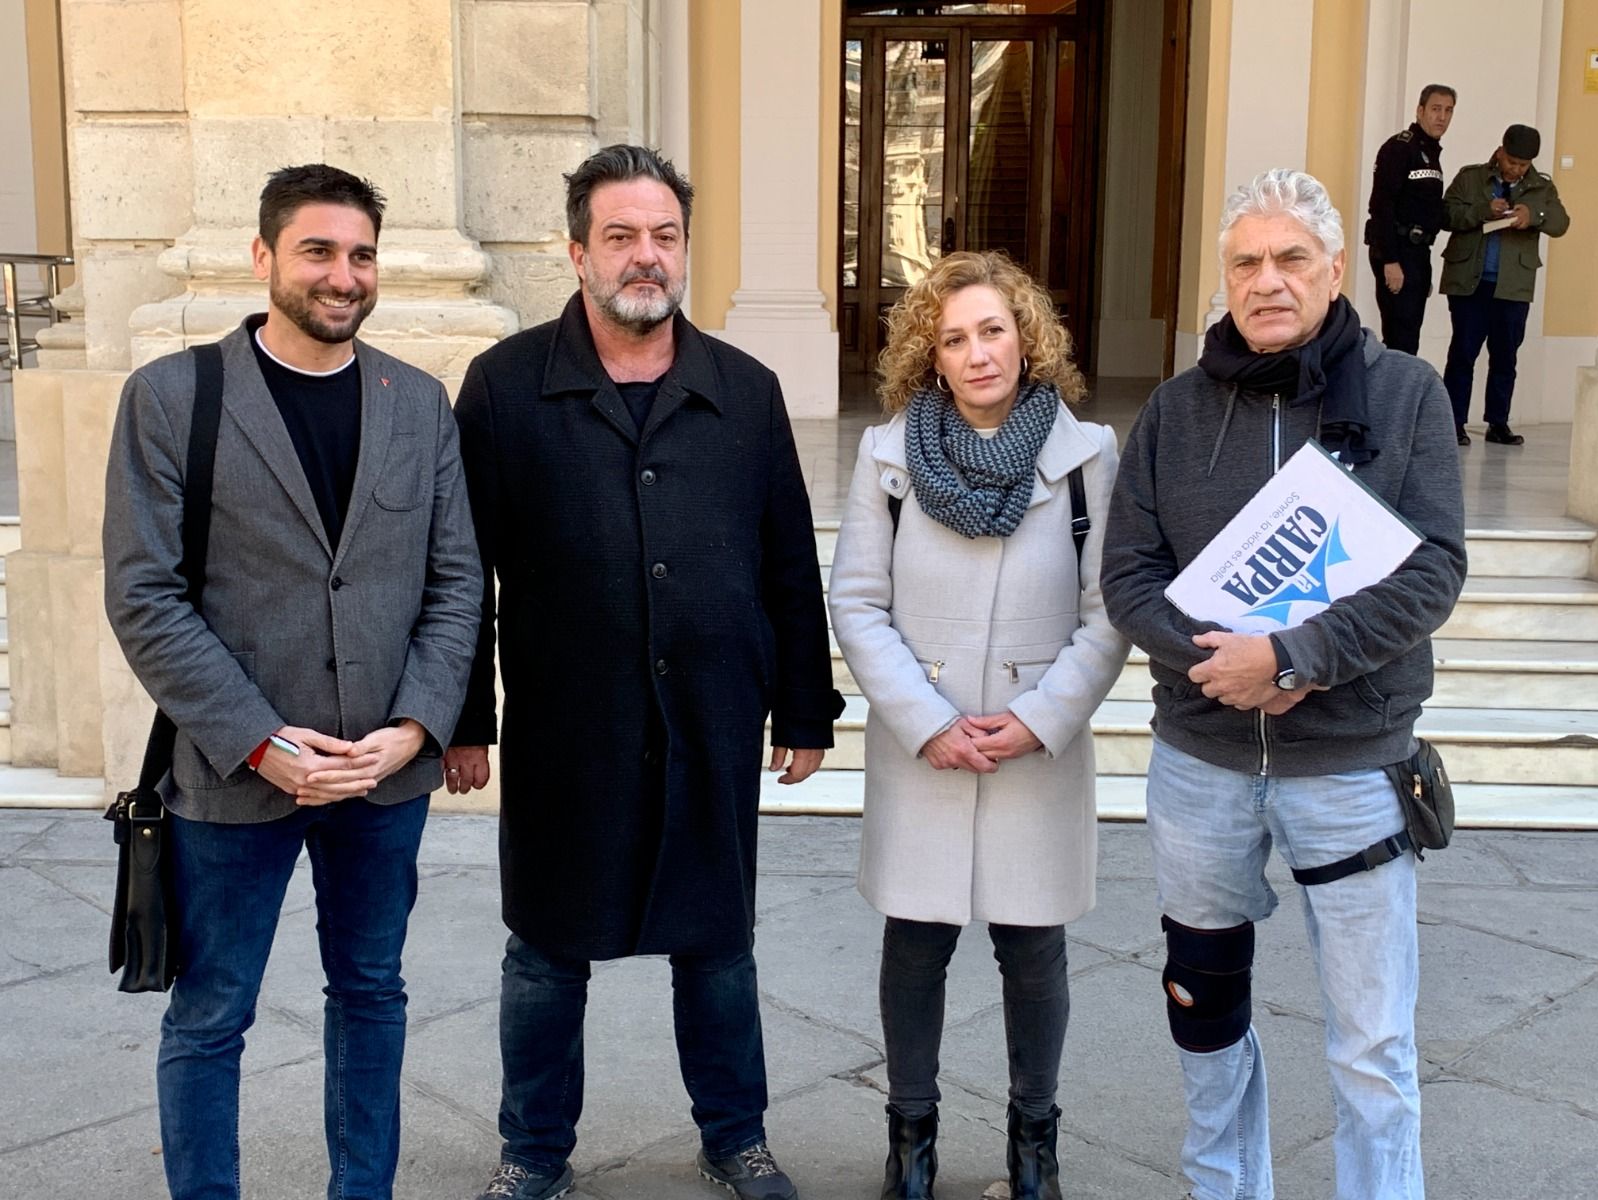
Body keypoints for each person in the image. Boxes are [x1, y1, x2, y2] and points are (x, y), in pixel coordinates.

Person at [447, 145, 843, 1200]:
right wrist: (462, 716)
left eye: (663, 235)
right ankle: (532, 1152)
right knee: (543, 952)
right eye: (620, 235)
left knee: (717, 946)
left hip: (710, 718)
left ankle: (736, 1138)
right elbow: (457, 571)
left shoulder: (746, 393)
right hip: (565, 728)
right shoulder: (501, 388)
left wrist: (805, 701)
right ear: (575, 250)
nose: (644, 256)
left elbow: (787, 563)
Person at [102, 164, 483, 1200]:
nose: (343, 275)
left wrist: (414, 727)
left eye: (361, 254)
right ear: (264, 256)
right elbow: (145, 597)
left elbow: (456, 583)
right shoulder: (175, 398)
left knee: (372, 993)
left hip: (379, 777)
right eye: (318, 251)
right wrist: (262, 739)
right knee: (211, 1011)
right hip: (235, 777)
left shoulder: (418, 403)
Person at [1101, 169, 1467, 1200]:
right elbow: (1127, 573)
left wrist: (1298, 658)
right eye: (1245, 263)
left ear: (1335, 268)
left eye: (1289, 259)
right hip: (1201, 769)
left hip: (1351, 767)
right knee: (1204, 1020)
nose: (1266, 281)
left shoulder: (1406, 395)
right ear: (1225, 279)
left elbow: (1433, 568)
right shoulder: (1174, 411)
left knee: (1369, 1043)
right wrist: (1216, 662)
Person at [828, 251, 1129, 1200]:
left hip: (1034, 748)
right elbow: (858, 602)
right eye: (953, 337)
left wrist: (1041, 720)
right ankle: (909, 1141)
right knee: (914, 945)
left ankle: (1033, 1144)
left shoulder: (1086, 458)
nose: (977, 352)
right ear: (931, 355)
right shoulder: (887, 458)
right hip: (927, 749)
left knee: (1032, 949)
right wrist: (926, 722)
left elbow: (1109, 610)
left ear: (1025, 335)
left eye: (992, 329)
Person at [1440, 122, 1570, 445]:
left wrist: (1533, 215)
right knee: (1462, 353)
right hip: (1471, 282)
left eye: (1522, 165)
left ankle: (1498, 423)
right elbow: (1446, 214)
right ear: (1500, 152)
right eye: (1511, 161)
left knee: (1505, 357)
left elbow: (1560, 222)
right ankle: (1453, 421)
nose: (1515, 169)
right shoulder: (1470, 177)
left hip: (1513, 286)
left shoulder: (1541, 187)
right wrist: (1484, 210)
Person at [1364, 83, 1455, 355]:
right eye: (1436, 109)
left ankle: (1403, 396)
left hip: (1418, 253)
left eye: (1448, 111)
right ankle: (1392, 398)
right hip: (1397, 251)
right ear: (1420, 110)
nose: (1442, 117)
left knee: (1409, 338)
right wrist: (1391, 261)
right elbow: (1381, 206)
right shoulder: (1400, 148)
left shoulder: (1430, 152)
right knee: (1399, 340)